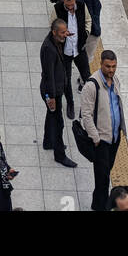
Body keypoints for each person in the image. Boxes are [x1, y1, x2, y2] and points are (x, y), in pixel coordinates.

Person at [80, 49, 126, 212]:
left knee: (105, 174)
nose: (111, 70)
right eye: (108, 66)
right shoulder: (92, 85)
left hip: (114, 138)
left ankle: (96, 204)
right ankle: (101, 207)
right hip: (101, 141)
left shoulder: (116, 81)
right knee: (103, 180)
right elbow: (86, 114)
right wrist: (96, 138)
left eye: (114, 66)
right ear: (101, 64)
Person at [39, 19, 76, 167]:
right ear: (54, 32)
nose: (64, 35)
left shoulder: (54, 40)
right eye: (62, 32)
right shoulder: (49, 48)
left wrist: (67, 34)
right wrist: (52, 97)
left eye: (65, 32)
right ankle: (59, 154)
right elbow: (49, 75)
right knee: (58, 122)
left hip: (55, 90)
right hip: (51, 92)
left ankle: (48, 141)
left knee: (51, 116)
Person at [53, 0, 87, 120]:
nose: (70, 7)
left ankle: (85, 107)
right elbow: (52, 26)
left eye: (72, 4)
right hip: (65, 51)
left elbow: (87, 20)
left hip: (79, 49)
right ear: (63, 1)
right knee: (66, 79)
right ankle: (70, 104)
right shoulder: (57, 9)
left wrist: (86, 33)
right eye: (68, 5)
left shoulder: (82, 6)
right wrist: (61, 35)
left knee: (87, 77)